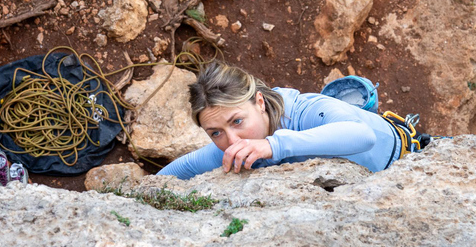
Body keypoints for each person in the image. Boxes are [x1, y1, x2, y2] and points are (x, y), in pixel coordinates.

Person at [158, 61, 428, 180]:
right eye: (215, 133)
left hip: (410, 162)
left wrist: (274, 146)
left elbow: (363, 136)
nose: (232, 141)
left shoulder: (303, 111)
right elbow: (185, 168)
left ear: (260, 103)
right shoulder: (233, 146)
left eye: (237, 121)